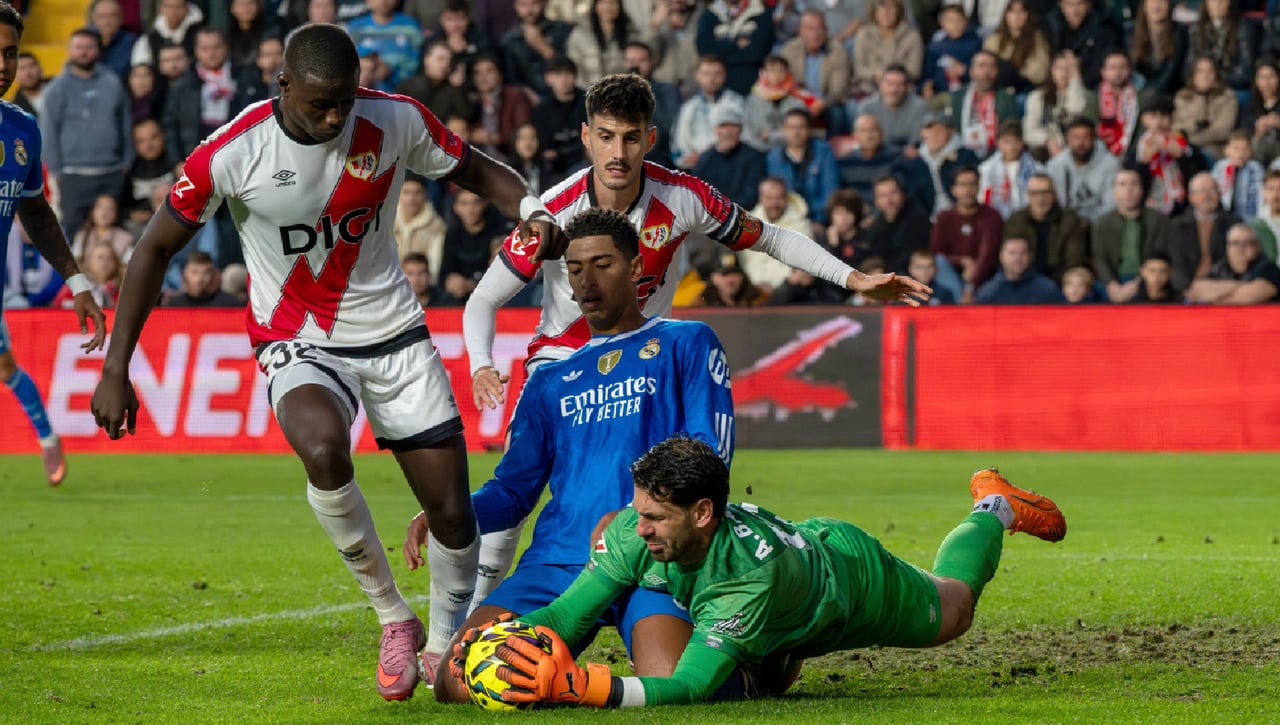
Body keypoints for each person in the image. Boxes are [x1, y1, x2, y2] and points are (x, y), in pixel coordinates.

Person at [88, 23, 564, 703]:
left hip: (395, 333)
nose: (337, 117)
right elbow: (154, 248)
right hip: (297, 338)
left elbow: (477, 168)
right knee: (321, 448)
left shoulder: (395, 119)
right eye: (320, 104)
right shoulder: (233, 151)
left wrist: (533, 209)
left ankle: (441, 645)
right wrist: (116, 368)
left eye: (345, 100)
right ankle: (393, 616)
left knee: (454, 514)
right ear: (283, 84)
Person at [459, 73, 932, 662]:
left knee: (679, 481)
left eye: (631, 138)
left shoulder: (683, 197)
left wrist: (852, 278)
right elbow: (484, 298)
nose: (618, 152)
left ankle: (697, 599)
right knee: (513, 485)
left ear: (650, 139)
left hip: (647, 356)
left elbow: (769, 238)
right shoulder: (553, 212)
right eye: (605, 136)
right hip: (564, 359)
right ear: (585, 137)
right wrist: (481, 363)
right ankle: (466, 619)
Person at [454, 435, 1065, 708]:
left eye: (655, 518)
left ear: (702, 513)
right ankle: (774, 659)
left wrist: (582, 686)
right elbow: (568, 614)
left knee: (954, 609)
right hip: (768, 606)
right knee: (760, 666)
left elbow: (689, 689)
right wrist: (502, 640)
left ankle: (994, 505)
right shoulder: (638, 529)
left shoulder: (747, 579)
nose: (639, 529)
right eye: (638, 512)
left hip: (845, 583)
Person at [411, 207, 739, 702]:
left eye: (602, 264)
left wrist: (635, 517)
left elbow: (709, 452)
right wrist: (450, 512)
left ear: (635, 268)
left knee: (674, 682)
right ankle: (553, 665)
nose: (587, 281)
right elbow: (513, 491)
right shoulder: (549, 380)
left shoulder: (686, 341)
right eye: (575, 269)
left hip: (651, 554)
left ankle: (769, 661)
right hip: (558, 561)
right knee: (456, 685)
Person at [0, 3, 108, 486]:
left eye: (10, 53)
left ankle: (46, 437)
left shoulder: (22, 129)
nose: (3, 64)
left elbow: (37, 213)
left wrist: (78, 282)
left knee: (5, 365)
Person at [40, 28, 134, 242]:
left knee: (114, 236)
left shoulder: (113, 82)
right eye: (79, 47)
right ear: (70, 50)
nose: (84, 52)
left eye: (89, 47)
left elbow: (125, 124)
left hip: (111, 173)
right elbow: (49, 132)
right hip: (73, 176)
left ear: (98, 50)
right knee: (73, 236)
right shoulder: (56, 88)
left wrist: (126, 162)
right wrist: (57, 171)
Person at [1092, 167, 1170, 303]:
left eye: (1134, 184)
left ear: (1142, 190)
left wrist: (1138, 283)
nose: (1128, 190)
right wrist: (1112, 286)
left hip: (1148, 279)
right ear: (1114, 191)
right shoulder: (1102, 223)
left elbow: (1160, 257)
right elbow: (1100, 259)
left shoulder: (1158, 221)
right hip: (1113, 280)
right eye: (1122, 184)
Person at [929, 165, 1002, 302]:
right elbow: (937, 252)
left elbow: (987, 254)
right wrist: (962, 261)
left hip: (984, 275)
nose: (967, 190)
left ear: (978, 187)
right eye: (962, 184)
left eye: (972, 184)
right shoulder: (944, 217)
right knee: (938, 261)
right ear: (953, 189)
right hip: (952, 275)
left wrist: (971, 285)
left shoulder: (991, 216)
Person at [1003, 172, 1088, 282]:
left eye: (1045, 193)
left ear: (1054, 195)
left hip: (1059, 283)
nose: (1040, 199)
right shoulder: (1016, 221)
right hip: (1022, 280)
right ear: (1028, 196)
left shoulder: (1070, 221)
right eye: (1035, 193)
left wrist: (1048, 285)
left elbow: (1073, 262)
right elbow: (1008, 257)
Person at [1166, 172, 1239, 293]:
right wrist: (1187, 289)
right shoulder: (1176, 226)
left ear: (1219, 194)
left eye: (1212, 190)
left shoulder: (1234, 224)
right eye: (1201, 191)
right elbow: (1176, 263)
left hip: (1222, 288)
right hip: (1185, 290)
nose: (1207, 195)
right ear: (1191, 197)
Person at [692, 105, 767, 210]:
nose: (728, 132)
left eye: (733, 126)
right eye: (723, 126)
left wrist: (725, 211)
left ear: (741, 129)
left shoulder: (753, 158)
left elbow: (751, 195)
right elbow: (695, 192)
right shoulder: (705, 158)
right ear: (716, 129)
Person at [1045, 116, 1119, 222]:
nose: (1080, 143)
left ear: (1093, 139)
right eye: (1075, 138)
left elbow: (1111, 205)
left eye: (1085, 137)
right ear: (1068, 140)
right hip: (1065, 223)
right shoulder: (1055, 165)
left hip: (1099, 223)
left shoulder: (1110, 164)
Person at [1184, 223, 1280, 304]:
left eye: (1247, 243)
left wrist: (1214, 298)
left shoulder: (1269, 269)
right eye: (1235, 243)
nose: (1240, 248)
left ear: (1256, 247)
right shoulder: (1219, 268)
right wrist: (1245, 285)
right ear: (1227, 247)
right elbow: (1197, 289)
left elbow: (1250, 297)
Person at [1173, 57, 1237, 160]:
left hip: (1213, 149)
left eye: (1210, 71)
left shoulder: (1227, 97)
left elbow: (1222, 131)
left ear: (1216, 75)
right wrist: (1194, 125)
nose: (1205, 76)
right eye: (1200, 71)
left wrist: (1190, 139)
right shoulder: (1182, 97)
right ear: (1193, 75)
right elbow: (1175, 126)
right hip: (1183, 147)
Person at [978, 120, 1042, 220]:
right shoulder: (986, 169)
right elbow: (983, 199)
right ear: (998, 143)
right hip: (997, 219)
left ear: (1022, 142)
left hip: (1028, 219)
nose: (1011, 147)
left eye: (1015, 141)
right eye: (1006, 142)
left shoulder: (1036, 168)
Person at [975, 236, 1067, 303]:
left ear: (1029, 256)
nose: (1018, 258)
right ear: (1001, 256)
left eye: (1023, 253)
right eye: (1012, 253)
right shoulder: (988, 293)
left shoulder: (1048, 289)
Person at [858, 64, 928, 150]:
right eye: (889, 84)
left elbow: (916, 144)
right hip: (875, 154)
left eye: (899, 85)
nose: (893, 90)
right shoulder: (867, 107)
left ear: (907, 88)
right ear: (880, 85)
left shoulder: (919, 107)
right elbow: (863, 141)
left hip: (905, 155)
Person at [1210, 131, 1265, 221]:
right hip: (1223, 215)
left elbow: (1261, 195)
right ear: (1226, 150)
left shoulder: (1255, 169)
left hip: (1248, 216)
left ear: (1251, 151)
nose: (1240, 153)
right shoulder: (1220, 166)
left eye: (1245, 149)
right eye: (1236, 148)